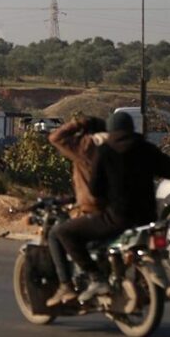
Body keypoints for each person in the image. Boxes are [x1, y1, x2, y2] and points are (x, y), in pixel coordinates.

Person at [55, 111, 170, 302]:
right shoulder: (146, 148)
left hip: (118, 218)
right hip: (147, 217)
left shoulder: (106, 151)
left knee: (64, 232)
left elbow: (96, 189)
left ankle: (96, 278)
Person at [43, 115, 107, 307]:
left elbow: (55, 137)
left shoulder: (85, 148)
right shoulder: (116, 150)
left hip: (94, 212)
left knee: (57, 234)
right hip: (119, 210)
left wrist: (78, 122)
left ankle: (66, 285)